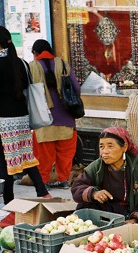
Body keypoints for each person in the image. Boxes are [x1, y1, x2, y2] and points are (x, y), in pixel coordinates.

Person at [0, 25, 50, 204]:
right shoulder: (21, 62)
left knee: (3, 163)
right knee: (26, 156)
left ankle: (9, 201)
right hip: (22, 119)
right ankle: (43, 192)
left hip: (4, 122)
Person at [71, 126, 138, 226]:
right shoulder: (96, 167)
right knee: (84, 208)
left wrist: (134, 219)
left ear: (124, 147)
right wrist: (93, 193)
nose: (105, 151)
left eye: (110, 146)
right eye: (101, 146)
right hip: (106, 213)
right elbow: (76, 188)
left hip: (131, 212)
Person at [29, 39, 81, 190]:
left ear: (35, 53)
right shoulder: (63, 64)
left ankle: (43, 182)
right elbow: (76, 88)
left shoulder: (32, 67)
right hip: (66, 118)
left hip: (43, 119)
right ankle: (63, 180)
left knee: (43, 155)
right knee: (65, 153)